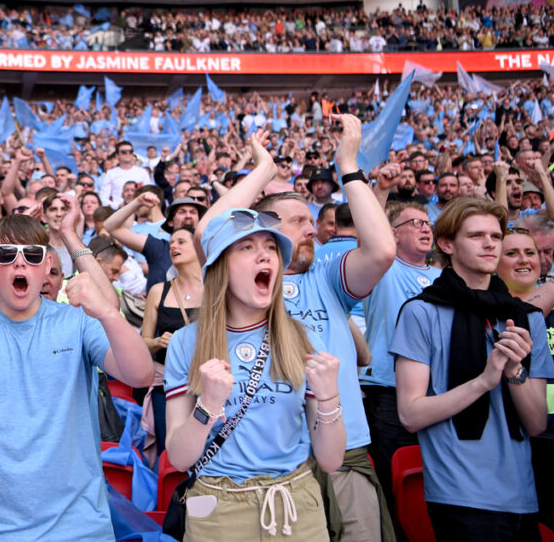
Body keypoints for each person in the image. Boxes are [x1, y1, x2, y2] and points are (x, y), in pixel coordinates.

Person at [198, 122, 397, 542]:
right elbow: (207, 233)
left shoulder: (326, 276)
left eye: (312, 220)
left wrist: (348, 164)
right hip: (267, 463)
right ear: (264, 231)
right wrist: (263, 170)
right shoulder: (241, 285)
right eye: (299, 221)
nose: (312, 230)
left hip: (343, 454)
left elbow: (380, 250)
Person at [0, 214, 153, 541]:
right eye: (7, 255)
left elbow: (140, 375)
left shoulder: (77, 321)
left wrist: (108, 312)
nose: (20, 264)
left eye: (32, 255)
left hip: (75, 527)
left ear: (46, 264)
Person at [164, 208, 345, 540]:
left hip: (295, 505)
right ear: (219, 267)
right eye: (246, 247)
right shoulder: (186, 342)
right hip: (215, 508)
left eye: (271, 247)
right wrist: (207, 405)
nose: (264, 254)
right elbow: (178, 459)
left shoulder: (304, 338)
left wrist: (330, 395)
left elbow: (331, 460)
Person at [392, 198, 554, 541]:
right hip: (458, 494)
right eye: (476, 235)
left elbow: (537, 422)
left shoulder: (525, 318)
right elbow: (411, 414)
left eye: (496, 237)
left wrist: (514, 372)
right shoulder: (420, 312)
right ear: (447, 244)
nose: (489, 244)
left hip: (522, 494)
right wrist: (484, 381)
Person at [360, 202, 441, 518]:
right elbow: (371, 239)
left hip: (439, 394)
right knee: (393, 482)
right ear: (392, 233)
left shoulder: (444, 276)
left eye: (427, 223)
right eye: (415, 223)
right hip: (389, 390)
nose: (425, 228)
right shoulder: (383, 268)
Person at [494, 229, 554, 533]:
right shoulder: (488, 314)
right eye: (513, 253)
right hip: (522, 441)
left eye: (542, 253)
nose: (535, 260)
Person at [141, 226, 201, 456]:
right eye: (171, 243)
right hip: (167, 386)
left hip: (205, 386)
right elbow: (143, 342)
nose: (173, 246)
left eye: (181, 242)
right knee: (171, 453)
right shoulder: (158, 291)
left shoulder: (215, 288)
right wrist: (158, 342)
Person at [99, 141, 153, 209]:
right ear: (117, 155)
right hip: (119, 211)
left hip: (139, 210)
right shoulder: (110, 173)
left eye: (130, 151)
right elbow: (103, 198)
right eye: (124, 151)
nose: (128, 153)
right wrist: (117, 206)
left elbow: (149, 193)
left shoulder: (142, 172)